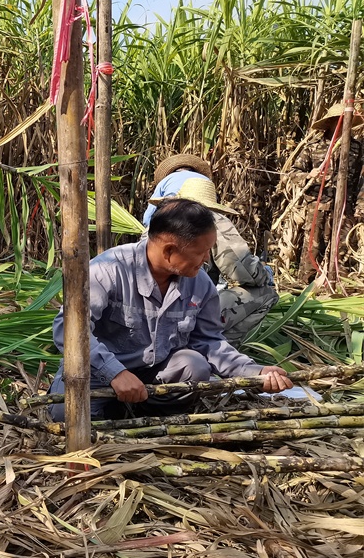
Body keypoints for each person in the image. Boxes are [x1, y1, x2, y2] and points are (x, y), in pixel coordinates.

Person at [48, 198, 292, 421]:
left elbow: (209, 342)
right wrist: (116, 373)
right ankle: (113, 407)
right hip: (99, 374)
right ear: (169, 250)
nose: (207, 259)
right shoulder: (108, 270)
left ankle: (152, 414)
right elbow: (68, 329)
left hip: (155, 377)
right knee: (65, 414)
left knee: (194, 365)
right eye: (201, 252)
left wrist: (255, 371)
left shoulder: (200, 283)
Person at [148, 177, 278, 345]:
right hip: (184, 310)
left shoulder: (161, 218)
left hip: (149, 314)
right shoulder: (211, 220)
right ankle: (216, 347)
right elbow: (243, 270)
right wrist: (265, 275)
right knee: (266, 294)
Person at [273, 101, 364, 281]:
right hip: (317, 206)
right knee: (312, 251)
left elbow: (362, 180)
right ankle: (304, 288)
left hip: (345, 209)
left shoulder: (357, 148)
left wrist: (360, 206)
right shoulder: (314, 146)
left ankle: (338, 289)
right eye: (339, 120)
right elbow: (291, 174)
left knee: (342, 252)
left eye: (346, 121)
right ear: (330, 123)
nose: (343, 125)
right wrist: (309, 175)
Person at [141, 153, 213, 227]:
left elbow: (150, 211)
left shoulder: (167, 179)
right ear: (193, 170)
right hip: (205, 216)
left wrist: (147, 227)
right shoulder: (206, 180)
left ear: (175, 170)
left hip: (172, 212)